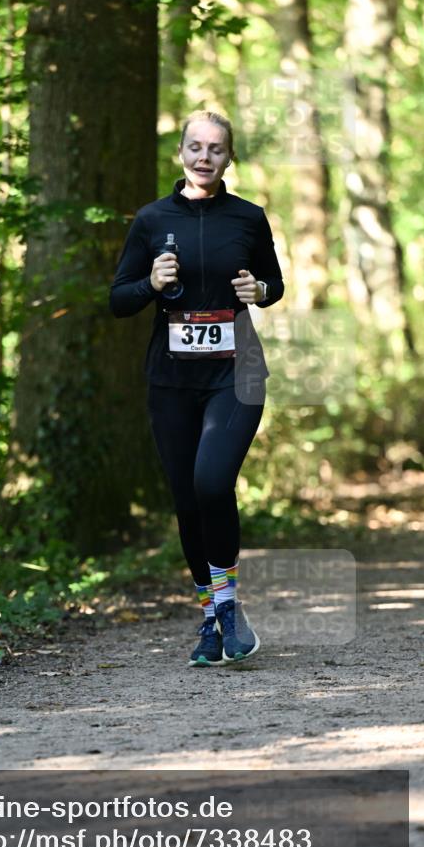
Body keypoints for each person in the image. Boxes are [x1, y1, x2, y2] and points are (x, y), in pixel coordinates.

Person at [109, 110, 284, 666]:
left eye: (216, 148)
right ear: (180, 153)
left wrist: (259, 288)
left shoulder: (248, 218)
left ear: (230, 157)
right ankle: (211, 616)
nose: (204, 157)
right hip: (172, 380)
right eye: (195, 147)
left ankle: (228, 606)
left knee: (212, 482)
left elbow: (274, 283)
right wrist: (149, 283)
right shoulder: (151, 219)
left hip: (237, 373)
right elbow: (118, 299)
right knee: (186, 499)